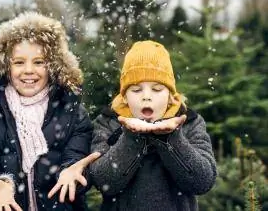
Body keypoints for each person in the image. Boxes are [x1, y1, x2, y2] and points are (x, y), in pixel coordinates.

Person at [0, 12, 100, 211]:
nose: (29, 70)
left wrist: (71, 172)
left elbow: (77, 160)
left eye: (39, 62)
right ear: (5, 67)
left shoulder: (72, 112)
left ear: (53, 66)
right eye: (19, 62)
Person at [90, 40, 217, 211]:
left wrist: (170, 138)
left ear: (171, 95)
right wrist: (131, 137)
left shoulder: (190, 122)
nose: (146, 96)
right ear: (125, 96)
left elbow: (203, 182)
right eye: (136, 90)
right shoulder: (108, 122)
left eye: (157, 89)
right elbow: (104, 181)